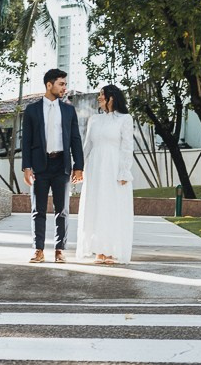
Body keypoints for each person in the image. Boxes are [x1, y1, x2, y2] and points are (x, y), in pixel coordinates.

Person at [21, 68, 84, 263]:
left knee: (62, 209)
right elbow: (27, 141)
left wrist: (78, 166)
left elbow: (75, 139)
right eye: (61, 84)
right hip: (40, 165)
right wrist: (26, 167)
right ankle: (38, 250)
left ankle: (59, 249)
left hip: (61, 165)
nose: (65, 87)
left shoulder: (68, 110)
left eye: (65, 84)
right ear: (49, 85)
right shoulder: (31, 110)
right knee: (38, 209)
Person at [76, 84, 134, 265]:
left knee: (111, 207)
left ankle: (111, 251)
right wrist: (79, 167)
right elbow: (88, 145)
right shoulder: (94, 119)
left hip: (114, 168)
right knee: (96, 206)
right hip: (95, 169)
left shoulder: (125, 119)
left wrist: (124, 171)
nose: (99, 98)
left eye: (102, 95)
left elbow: (127, 146)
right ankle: (99, 250)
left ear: (112, 98)